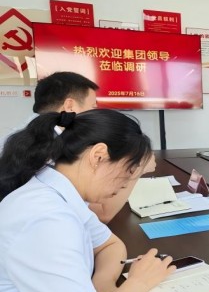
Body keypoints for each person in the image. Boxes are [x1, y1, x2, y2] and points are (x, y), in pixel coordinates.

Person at [0, 109, 175, 292]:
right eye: (129, 171)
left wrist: (103, 285)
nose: (126, 184)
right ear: (98, 155)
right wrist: (138, 283)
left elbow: (110, 245)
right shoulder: (46, 219)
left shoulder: (56, 190)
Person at [1, 71, 155, 223]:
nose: (96, 115)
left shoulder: (30, 134)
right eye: (93, 107)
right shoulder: (48, 147)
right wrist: (137, 166)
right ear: (69, 106)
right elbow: (102, 214)